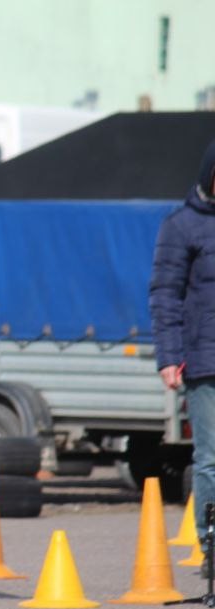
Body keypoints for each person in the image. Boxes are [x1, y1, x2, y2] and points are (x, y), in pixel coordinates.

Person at [150, 139, 215, 550]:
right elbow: (165, 295)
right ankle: (211, 544)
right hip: (205, 360)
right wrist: (169, 356)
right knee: (211, 459)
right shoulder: (181, 226)